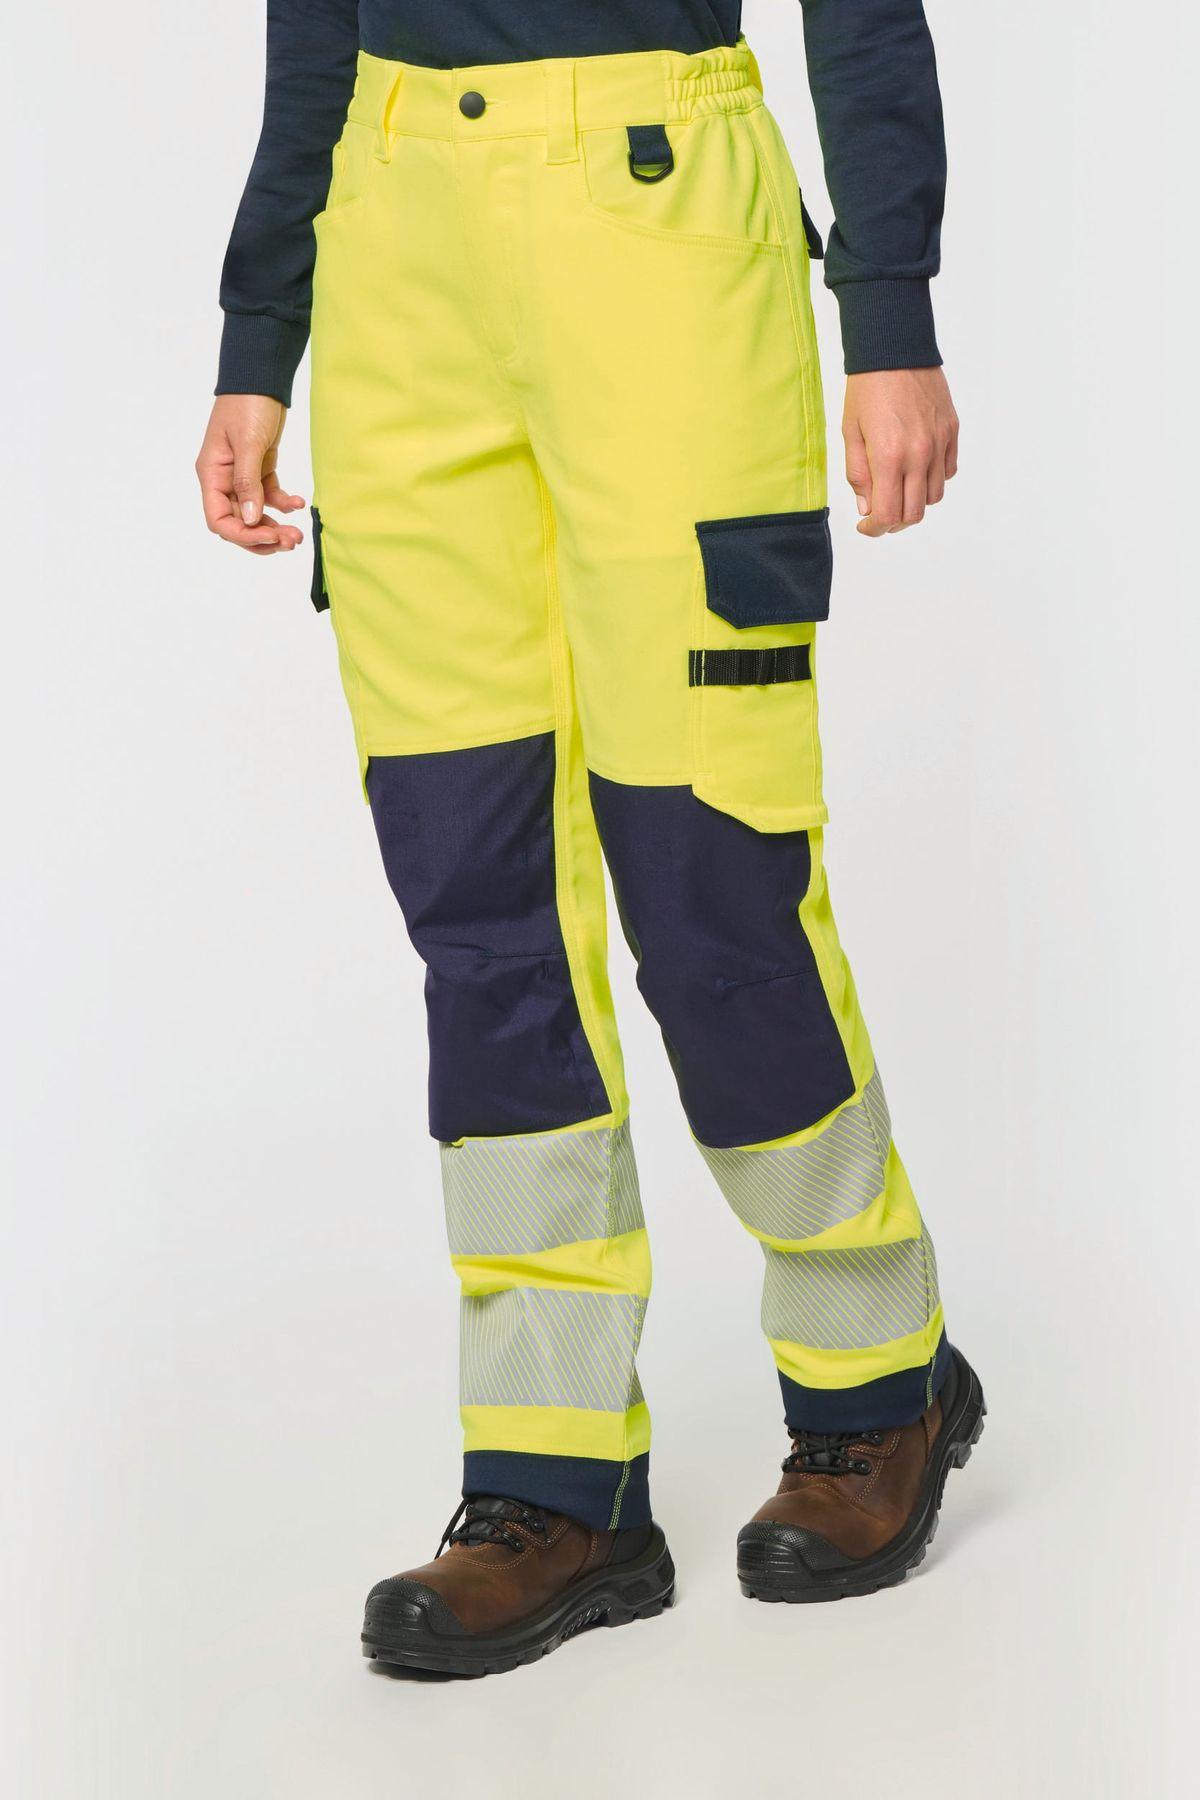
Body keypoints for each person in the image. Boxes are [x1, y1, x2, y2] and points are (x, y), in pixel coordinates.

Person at [196, 1, 983, 1677]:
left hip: (661, 212)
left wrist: (891, 312)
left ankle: (876, 1378)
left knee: (712, 869)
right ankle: (555, 1480)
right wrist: (261, 335)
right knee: (476, 897)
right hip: (391, 237)